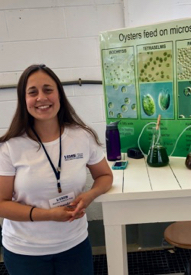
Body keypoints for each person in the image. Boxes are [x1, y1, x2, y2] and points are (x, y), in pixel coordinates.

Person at [0, 64, 113, 275]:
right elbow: (1, 203)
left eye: (48, 89)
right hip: (26, 252)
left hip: (74, 246)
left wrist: (89, 195)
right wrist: (48, 214)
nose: (42, 97)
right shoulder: (10, 147)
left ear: (59, 94)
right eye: (33, 92)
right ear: (24, 101)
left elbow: (105, 176)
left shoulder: (81, 136)